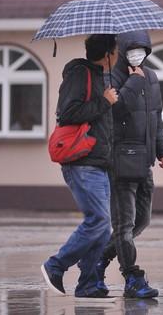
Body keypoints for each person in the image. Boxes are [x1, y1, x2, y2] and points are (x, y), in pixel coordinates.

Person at [40, 34, 119, 302]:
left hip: (98, 162)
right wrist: (104, 101)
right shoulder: (79, 74)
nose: (119, 54)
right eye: (117, 50)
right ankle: (56, 265)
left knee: (102, 227)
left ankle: (87, 285)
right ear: (108, 53)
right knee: (98, 221)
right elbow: (68, 113)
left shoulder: (99, 77)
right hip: (82, 161)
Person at [96, 30, 163, 299]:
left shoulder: (150, 76)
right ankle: (132, 278)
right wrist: (133, 83)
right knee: (124, 226)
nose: (137, 53)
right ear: (122, 48)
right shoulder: (109, 77)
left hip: (145, 161)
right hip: (119, 160)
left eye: (142, 48)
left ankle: (98, 259)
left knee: (143, 220)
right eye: (132, 48)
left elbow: (156, 118)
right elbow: (114, 110)